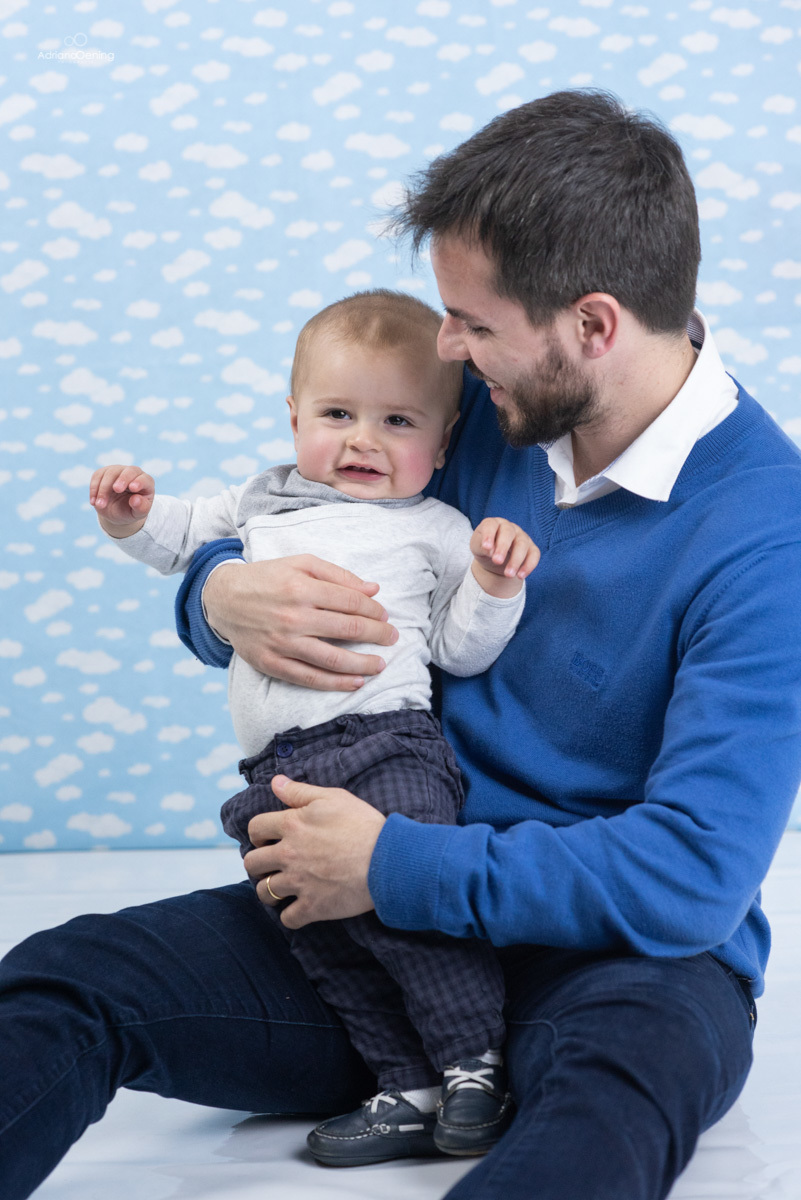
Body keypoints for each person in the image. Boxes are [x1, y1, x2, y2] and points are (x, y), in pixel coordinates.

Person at [1, 88, 800, 1200]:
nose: (445, 345)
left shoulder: (769, 533)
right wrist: (219, 593)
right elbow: (299, 518)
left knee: (600, 1122)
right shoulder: (489, 407)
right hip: (382, 927)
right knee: (59, 982)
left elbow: (692, 878)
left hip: (615, 961)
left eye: (473, 322)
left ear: (594, 325)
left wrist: (393, 864)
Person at [87, 289, 539, 1165]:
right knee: (318, 929)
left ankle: (474, 1064)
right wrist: (131, 515)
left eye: (398, 420)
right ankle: (404, 1083)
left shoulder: (437, 528)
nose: (363, 439)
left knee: (402, 911)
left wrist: (495, 584)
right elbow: (178, 537)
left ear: (441, 444)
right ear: (293, 417)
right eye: (337, 413)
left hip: (388, 744)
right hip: (276, 769)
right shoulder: (262, 500)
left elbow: (463, 650)